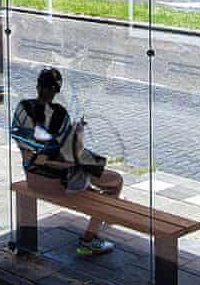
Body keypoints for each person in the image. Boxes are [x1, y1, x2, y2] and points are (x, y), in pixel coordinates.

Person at [11, 68, 122, 256]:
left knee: (91, 175)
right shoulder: (61, 114)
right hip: (59, 183)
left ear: (37, 87)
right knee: (115, 182)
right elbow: (72, 154)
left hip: (33, 178)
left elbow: (29, 148)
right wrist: (78, 133)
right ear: (56, 91)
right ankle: (89, 238)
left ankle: (97, 209)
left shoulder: (23, 108)